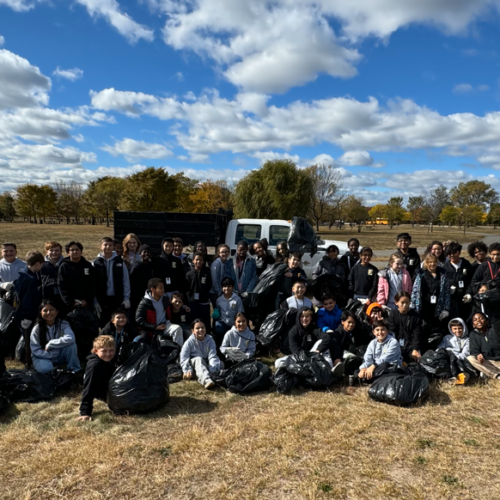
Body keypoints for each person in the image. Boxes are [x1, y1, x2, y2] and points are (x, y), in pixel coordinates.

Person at [275, 307, 343, 376]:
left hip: (313, 354)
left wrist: (318, 350)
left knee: (322, 343)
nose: (304, 319)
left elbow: (327, 338)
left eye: (307, 316)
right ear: (298, 318)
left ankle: (331, 370)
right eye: (302, 316)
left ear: (311, 318)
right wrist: (307, 358)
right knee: (278, 362)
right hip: (299, 356)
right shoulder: (293, 331)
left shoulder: (314, 328)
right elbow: (295, 350)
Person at [30, 299, 81, 374]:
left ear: (57, 312)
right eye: (45, 310)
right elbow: (35, 350)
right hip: (42, 357)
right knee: (46, 370)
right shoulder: (37, 328)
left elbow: (71, 338)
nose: (48, 313)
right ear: (41, 313)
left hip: (59, 355)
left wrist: (51, 343)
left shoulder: (63, 324)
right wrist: (50, 355)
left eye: (51, 310)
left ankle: (74, 371)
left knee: (71, 345)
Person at [76, 335, 116, 421]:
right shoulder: (94, 365)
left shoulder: (111, 359)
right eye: (104, 351)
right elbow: (88, 388)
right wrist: (85, 412)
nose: (108, 354)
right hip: (101, 390)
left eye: (111, 350)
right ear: (95, 351)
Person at [93, 237, 131, 327]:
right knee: (104, 323)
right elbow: (92, 283)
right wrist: (95, 301)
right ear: (101, 247)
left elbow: (125, 280)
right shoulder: (95, 263)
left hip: (117, 299)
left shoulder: (120, 262)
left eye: (110, 245)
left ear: (113, 247)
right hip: (102, 299)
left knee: (117, 323)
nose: (108, 247)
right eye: (105, 245)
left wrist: (126, 298)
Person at [135, 278, 183, 346]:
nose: (163, 290)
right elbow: (139, 320)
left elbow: (174, 304)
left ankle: (178, 353)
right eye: (160, 288)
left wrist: (184, 307)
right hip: (151, 328)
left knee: (177, 328)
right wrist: (155, 327)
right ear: (153, 289)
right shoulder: (145, 303)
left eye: (163, 287)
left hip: (165, 325)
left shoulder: (165, 299)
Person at [411, 254, 451, 332]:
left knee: (437, 329)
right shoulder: (421, 275)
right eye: (430, 262)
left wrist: (446, 309)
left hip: (438, 307)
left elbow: (447, 293)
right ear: (426, 263)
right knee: (424, 329)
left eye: (434, 262)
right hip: (424, 307)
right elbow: (415, 292)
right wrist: (413, 307)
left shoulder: (442, 275)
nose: (432, 264)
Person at [180, 319, 221, 389]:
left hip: (207, 362)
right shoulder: (189, 342)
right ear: (193, 331)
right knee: (199, 360)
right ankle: (206, 380)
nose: (201, 330)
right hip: (195, 362)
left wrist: (213, 370)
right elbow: (184, 357)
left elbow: (212, 356)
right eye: (197, 328)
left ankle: (210, 375)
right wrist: (187, 369)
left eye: (202, 327)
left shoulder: (210, 340)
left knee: (220, 363)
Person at [58, 241, 97, 313]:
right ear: (68, 252)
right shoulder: (64, 266)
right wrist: (70, 302)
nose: (75, 251)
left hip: (86, 304)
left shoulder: (87, 265)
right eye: (72, 250)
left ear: (81, 251)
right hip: (70, 305)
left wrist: (87, 300)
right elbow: (61, 285)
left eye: (77, 249)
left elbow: (93, 284)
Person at [387, 291, 422, 363]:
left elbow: (417, 334)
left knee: (415, 359)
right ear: (396, 302)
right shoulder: (393, 315)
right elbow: (392, 333)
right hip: (396, 344)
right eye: (402, 302)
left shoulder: (415, 316)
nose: (405, 305)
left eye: (407, 302)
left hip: (410, 345)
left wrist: (415, 349)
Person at [14, 251, 44, 334]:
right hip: (27, 317)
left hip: (20, 313)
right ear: (37, 263)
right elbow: (28, 299)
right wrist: (28, 316)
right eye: (41, 264)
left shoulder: (23, 274)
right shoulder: (31, 280)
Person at [443, 242, 473, 318]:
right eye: (449, 254)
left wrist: (469, 293)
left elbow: (472, 281)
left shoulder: (466, 264)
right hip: (451, 299)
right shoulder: (445, 267)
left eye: (454, 253)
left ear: (459, 252)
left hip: (465, 299)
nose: (452, 255)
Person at [438, 318, 471, 383]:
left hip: (457, 360)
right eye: (455, 329)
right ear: (451, 329)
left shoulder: (467, 340)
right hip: (446, 358)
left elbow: (465, 353)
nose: (458, 331)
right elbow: (440, 348)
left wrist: (454, 357)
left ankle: (456, 376)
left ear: (464, 328)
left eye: (460, 328)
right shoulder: (447, 338)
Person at [467, 312, 500, 379]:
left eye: (481, 318)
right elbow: (474, 350)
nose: (478, 321)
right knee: (470, 358)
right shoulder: (473, 335)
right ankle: (496, 375)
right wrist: (478, 355)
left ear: (487, 321)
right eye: (475, 320)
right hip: (488, 362)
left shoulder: (495, 328)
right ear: (473, 325)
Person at [214, 277, 244, 346]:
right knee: (218, 328)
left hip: (234, 324)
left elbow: (241, 314)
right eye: (224, 286)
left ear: (233, 287)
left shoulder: (237, 299)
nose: (227, 288)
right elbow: (217, 313)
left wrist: (237, 324)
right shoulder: (219, 300)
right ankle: (220, 347)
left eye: (229, 286)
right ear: (222, 288)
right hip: (223, 323)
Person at [185, 252, 212, 329]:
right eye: (196, 260)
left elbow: (209, 286)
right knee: (193, 321)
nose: (198, 262)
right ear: (193, 261)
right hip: (192, 302)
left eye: (200, 260)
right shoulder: (189, 274)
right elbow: (186, 288)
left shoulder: (207, 273)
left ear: (203, 261)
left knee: (205, 321)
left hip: (204, 302)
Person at [130, 245, 157, 313]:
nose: (146, 254)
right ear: (140, 254)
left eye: (148, 252)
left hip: (150, 295)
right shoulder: (136, 267)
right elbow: (131, 282)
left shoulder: (152, 266)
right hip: (137, 295)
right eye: (144, 252)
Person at [40, 241, 65, 313]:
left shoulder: (65, 263)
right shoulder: (41, 265)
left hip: (62, 298)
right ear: (46, 252)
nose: (54, 252)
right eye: (51, 250)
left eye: (57, 250)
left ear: (61, 252)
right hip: (46, 298)